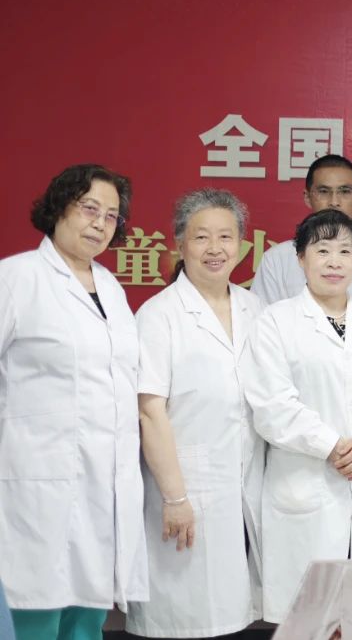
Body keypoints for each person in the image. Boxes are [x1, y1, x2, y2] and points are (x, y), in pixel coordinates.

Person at [0, 164, 147, 640]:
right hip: (35, 480)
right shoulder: (16, 278)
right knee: (35, 612)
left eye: (111, 215)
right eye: (89, 208)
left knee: (86, 618)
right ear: (59, 207)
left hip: (104, 485)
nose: (100, 223)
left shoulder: (111, 288)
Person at [244, 209, 352, 623]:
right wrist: (334, 447)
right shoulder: (275, 322)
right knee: (307, 619)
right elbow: (272, 405)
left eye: (345, 251)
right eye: (322, 250)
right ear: (300, 258)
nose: (334, 261)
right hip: (305, 483)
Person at [127, 189, 268, 638]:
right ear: (180, 244)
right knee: (184, 617)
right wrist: (174, 498)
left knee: (236, 614)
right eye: (201, 237)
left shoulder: (255, 309)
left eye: (226, 237)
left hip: (244, 483)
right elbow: (149, 411)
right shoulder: (159, 315)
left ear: (241, 245)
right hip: (185, 485)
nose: (214, 248)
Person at [252, 154, 352, 315]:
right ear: (307, 198)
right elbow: (264, 322)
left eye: (345, 191)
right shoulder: (276, 259)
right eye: (323, 191)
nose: (334, 202)